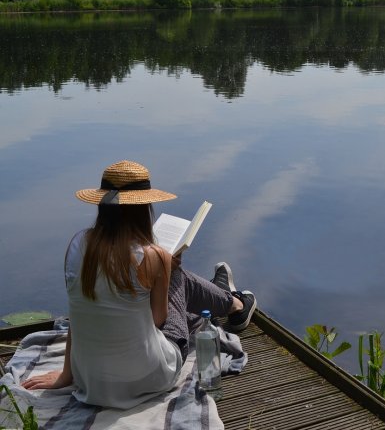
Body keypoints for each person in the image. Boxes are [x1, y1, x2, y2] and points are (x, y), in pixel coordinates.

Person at [21, 160, 257, 409]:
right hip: (150, 377)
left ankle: (225, 299)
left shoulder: (77, 245)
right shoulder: (153, 256)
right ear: (144, 207)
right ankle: (234, 304)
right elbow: (158, 321)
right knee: (179, 279)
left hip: (91, 380)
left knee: (170, 281)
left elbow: (77, 315)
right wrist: (164, 271)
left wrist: (66, 376)